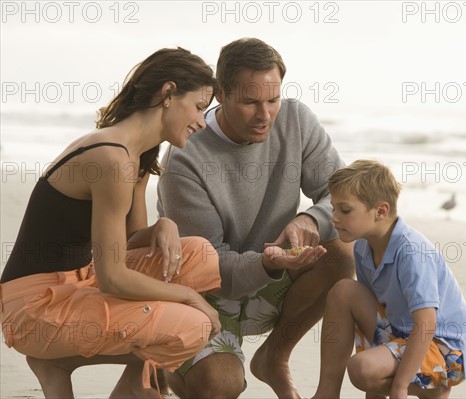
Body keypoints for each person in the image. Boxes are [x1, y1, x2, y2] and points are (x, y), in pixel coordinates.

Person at [0, 47, 223, 399]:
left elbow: (129, 240)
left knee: (197, 255)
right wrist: (189, 297)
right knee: (190, 324)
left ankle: (132, 385)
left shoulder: (136, 156)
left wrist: (163, 226)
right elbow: (113, 276)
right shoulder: (111, 157)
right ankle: (62, 361)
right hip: (32, 309)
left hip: (78, 280)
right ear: (168, 93)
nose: (201, 121)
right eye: (198, 106)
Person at [157, 37, 355, 398]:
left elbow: (345, 198)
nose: (265, 115)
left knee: (342, 249)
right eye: (250, 102)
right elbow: (210, 269)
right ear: (221, 94)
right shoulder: (185, 159)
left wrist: (310, 220)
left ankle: (274, 357)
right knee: (219, 386)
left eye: (273, 99)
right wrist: (267, 264)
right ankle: (169, 364)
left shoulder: (296, 119)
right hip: (206, 295)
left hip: (270, 276)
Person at [313, 160, 466, 399]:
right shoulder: (362, 247)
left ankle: (436, 389)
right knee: (343, 291)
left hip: (443, 348)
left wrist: (399, 387)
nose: (334, 218)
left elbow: (426, 324)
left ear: (380, 211)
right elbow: (379, 314)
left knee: (361, 369)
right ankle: (326, 394)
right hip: (401, 333)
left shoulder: (411, 252)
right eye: (334, 209)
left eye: (345, 210)